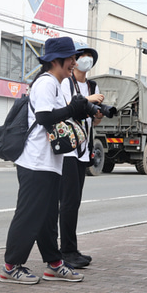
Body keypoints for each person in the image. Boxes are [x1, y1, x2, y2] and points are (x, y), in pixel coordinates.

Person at [0, 36, 89, 284]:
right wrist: (73, 109)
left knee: (48, 216)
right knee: (29, 215)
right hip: (35, 162)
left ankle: (54, 263)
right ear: (57, 60)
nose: (74, 62)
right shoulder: (46, 83)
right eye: (71, 58)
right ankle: (10, 266)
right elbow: (43, 117)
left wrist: (75, 110)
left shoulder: (56, 84)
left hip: (49, 162)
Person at [58, 43, 104, 268]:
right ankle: (65, 252)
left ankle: (71, 248)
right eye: (82, 56)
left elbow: (92, 118)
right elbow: (66, 107)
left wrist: (97, 116)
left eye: (90, 56)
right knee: (67, 202)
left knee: (74, 202)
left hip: (83, 150)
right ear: (73, 60)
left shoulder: (92, 85)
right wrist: (89, 101)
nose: (86, 59)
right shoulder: (67, 82)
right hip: (68, 150)